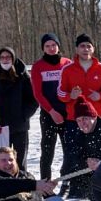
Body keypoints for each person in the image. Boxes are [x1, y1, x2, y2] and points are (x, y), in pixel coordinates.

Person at [57, 34, 101, 198]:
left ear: (93, 48)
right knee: (73, 154)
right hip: (75, 120)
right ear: (77, 49)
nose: (85, 49)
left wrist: (100, 96)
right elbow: (60, 93)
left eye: (88, 46)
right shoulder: (68, 68)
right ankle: (73, 186)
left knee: (98, 155)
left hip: (97, 121)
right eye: (82, 46)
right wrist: (71, 96)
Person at [30, 34, 72, 182]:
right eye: (47, 46)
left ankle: (67, 181)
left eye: (53, 45)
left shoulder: (67, 63)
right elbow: (38, 93)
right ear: (43, 48)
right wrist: (52, 111)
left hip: (67, 114)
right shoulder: (38, 66)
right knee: (47, 150)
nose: (51, 48)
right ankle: (45, 183)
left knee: (69, 149)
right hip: (49, 114)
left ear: (58, 46)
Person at [0, 47, 38, 171]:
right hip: (1, 126)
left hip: (20, 125)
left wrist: (23, 116)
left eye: (8, 57)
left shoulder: (22, 74)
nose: (5, 60)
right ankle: (5, 187)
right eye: (2, 57)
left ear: (13, 58)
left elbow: (33, 100)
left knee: (20, 160)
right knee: (3, 161)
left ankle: (22, 187)